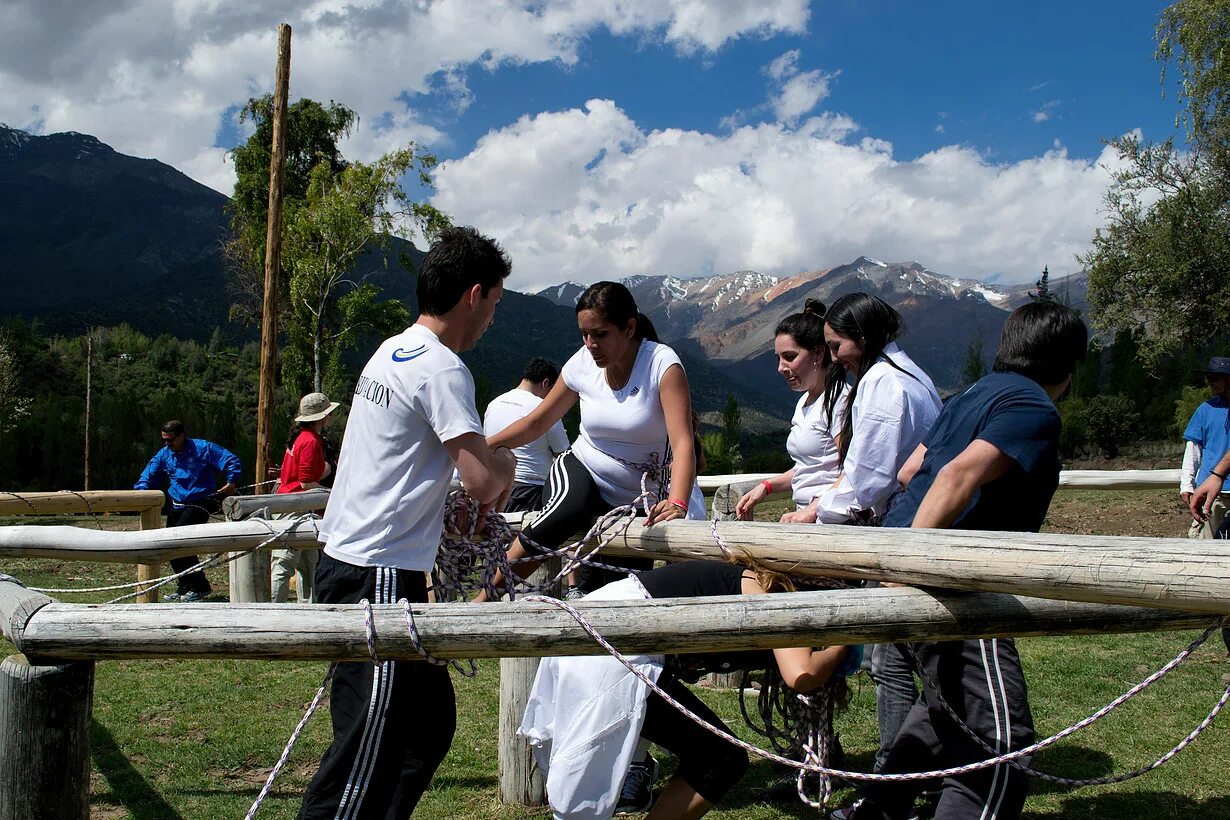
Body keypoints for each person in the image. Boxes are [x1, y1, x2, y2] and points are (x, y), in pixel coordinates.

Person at [296, 226, 517, 820]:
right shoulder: (444, 369)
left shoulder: (392, 349)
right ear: (474, 294)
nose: (494, 317)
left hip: (359, 561)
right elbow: (484, 481)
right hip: (380, 573)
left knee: (425, 729)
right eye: (496, 302)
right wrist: (508, 460)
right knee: (364, 750)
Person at [836, 300, 1088, 820]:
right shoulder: (1034, 408)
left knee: (941, 711)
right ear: (1067, 365)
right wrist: (913, 568)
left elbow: (911, 472)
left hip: (902, 564)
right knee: (998, 746)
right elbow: (954, 477)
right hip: (952, 587)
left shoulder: (972, 393)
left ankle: (875, 810)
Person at [481, 280, 706, 811]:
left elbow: (682, 440)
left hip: (642, 496)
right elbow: (540, 420)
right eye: (584, 335)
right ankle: (489, 595)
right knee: (569, 508)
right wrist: (481, 445)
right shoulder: (582, 366)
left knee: (619, 620)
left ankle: (627, 755)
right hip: (586, 468)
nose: (591, 345)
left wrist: (675, 500)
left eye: (600, 334)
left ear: (629, 328)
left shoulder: (662, 365)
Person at [520, 558, 861, 820]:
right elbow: (801, 675)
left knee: (717, 757)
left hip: (613, 640)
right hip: (617, 649)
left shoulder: (752, 583)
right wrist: (842, 642)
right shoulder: (775, 593)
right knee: (719, 758)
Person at [813, 293, 943, 778]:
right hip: (912, 525)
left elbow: (868, 477)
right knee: (913, 658)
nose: (831, 356)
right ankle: (925, 764)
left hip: (900, 531)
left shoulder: (885, 386)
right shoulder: (903, 375)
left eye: (836, 344)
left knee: (890, 661)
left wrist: (817, 514)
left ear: (862, 340)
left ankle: (895, 774)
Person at [735, 298, 848, 523]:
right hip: (808, 518)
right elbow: (809, 468)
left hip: (833, 522)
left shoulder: (840, 401)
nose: (780, 368)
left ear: (818, 354)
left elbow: (854, 471)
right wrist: (766, 487)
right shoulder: (805, 401)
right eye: (778, 359)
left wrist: (812, 511)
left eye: (789, 357)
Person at [134, 420, 241, 602]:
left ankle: (200, 586)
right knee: (170, 546)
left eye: (171, 440)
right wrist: (142, 491)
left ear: (182, 435)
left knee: (181, 542)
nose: (167, 444)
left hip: (201, 501)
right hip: (176, 503)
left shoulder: (203, 448)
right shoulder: (165, 453)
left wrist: (231, 481)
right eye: (164, 441)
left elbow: (230, 459)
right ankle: (185, 587)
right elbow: (148, 472)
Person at [270, 392, 340, 603]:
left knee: (308, 562)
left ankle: (307, 607)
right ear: (321, 417)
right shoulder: (310, 442)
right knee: (285, 562)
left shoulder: (301, 438)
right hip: (296, 507)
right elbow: (306, 483)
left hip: (294, 504)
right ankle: (273, 609)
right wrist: (332, 495)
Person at [483, 356, 571, 513]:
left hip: (494, 487)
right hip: (530, 489)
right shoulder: (544, 409)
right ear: (546, 383)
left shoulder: (494, 403)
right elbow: (563, 454)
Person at [1180, 357, 1230, 539]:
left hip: (1218, 487)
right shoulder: (1205, 409)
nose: (1210, 383)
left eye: (1215, 378)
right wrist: (1187, 484)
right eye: (1209, 378)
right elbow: (1193, 449)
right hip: (1212, 494)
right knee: (1205, 546)